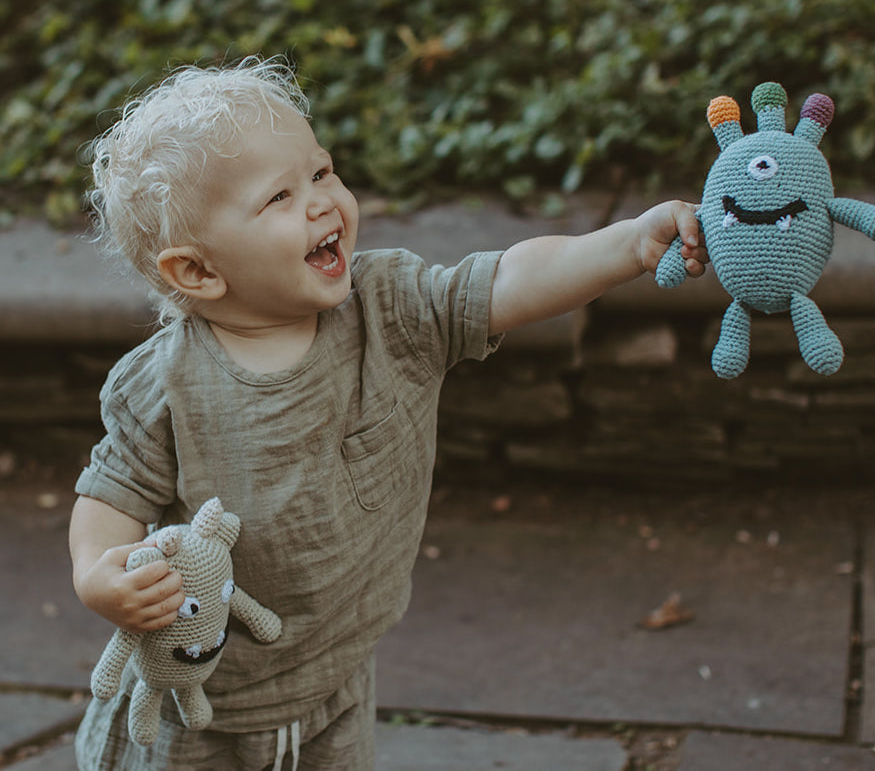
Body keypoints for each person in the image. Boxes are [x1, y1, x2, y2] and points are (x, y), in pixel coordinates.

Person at [69, 55, 707, 770]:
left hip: (334, 678)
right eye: (279, 197)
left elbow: (508, 279)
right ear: (198, 270)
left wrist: (627, 244)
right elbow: (109, 496)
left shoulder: (392, 310)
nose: (322, 202)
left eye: (321, 171)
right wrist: (100, 577)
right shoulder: (164, 385)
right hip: (193, 705)